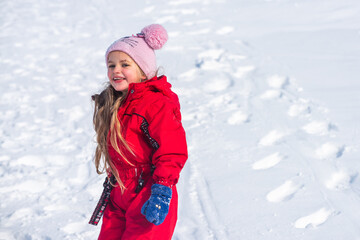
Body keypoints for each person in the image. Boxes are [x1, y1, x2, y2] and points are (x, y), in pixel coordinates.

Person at [90, 24, 188, 240]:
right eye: (111, 65)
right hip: (119, 188)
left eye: (125, 64)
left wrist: (162, 189)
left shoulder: (156, 104)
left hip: (148, 190)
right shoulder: (116, 102)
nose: (116, 70)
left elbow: (172, 149)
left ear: (144, 71)